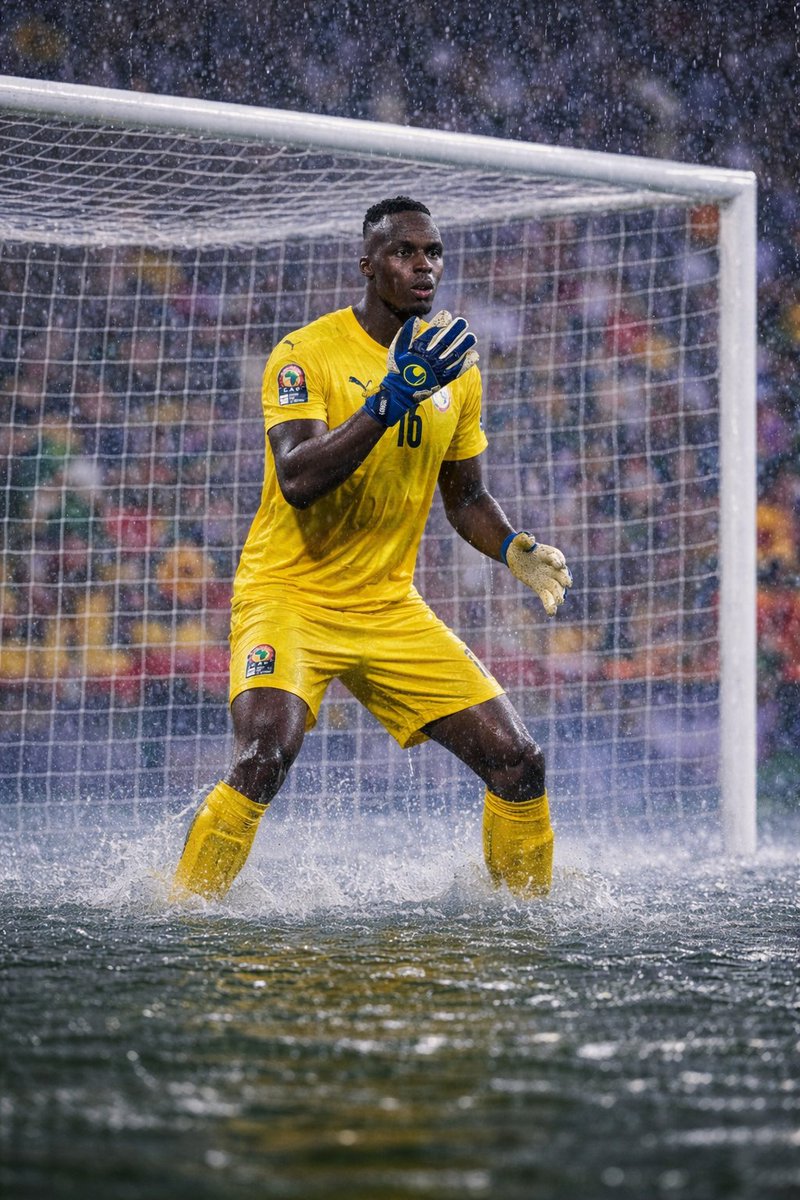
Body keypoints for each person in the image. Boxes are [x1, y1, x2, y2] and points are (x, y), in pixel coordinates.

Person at [171, 196, 572, 903]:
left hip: (388, 606)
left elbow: (467, 498)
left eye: (433, 253)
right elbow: (299, 479)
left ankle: (527, 920)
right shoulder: (304, 354)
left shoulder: (456, 369)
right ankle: (183, 910)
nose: (424, 267)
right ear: (368, 266)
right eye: (404, 253)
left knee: (518, 760)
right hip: (289, 597)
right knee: (265, 755)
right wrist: (391, 398)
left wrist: (514, 549)